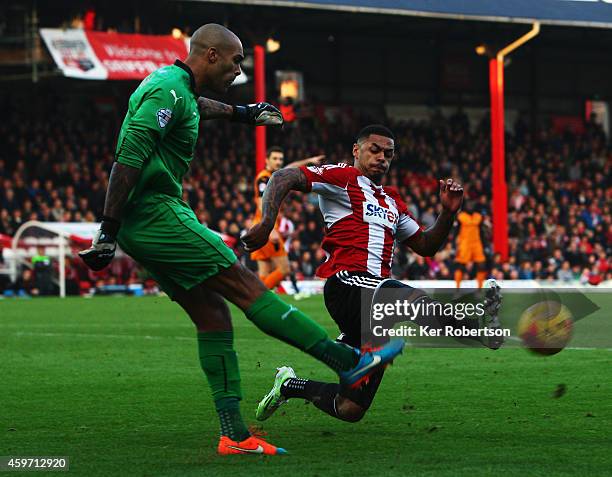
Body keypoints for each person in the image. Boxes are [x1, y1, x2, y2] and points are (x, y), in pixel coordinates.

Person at [78, 24, 403, 456]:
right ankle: (347, 362)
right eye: (235, 61)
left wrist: (245, 113)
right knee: (244, 283)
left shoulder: (177, 89)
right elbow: (128, 157)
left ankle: (234, 435)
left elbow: (196, 106)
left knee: (213, 315)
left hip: (145, 224)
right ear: (211, 55)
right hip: (155, 212)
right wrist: (107, 230)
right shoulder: (168, 92)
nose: (238, 70)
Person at [243, 124, 502, 425]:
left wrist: (447, 213)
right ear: (357, 150)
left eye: (388, 154)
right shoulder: (342, 178)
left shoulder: (391, 200)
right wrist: (265, 223)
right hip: (347, 284)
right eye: (375, 150)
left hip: (374, 301)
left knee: (350, 408)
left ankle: (288, 385)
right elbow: (283, 176)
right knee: (404, 297)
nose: (382, 158)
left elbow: (426, 245)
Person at [251, 146, 324, 291]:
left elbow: (291, 167)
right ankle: (256, 296)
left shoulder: (275, 175)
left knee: (265, 272)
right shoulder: (264, 178)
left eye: (280, 159)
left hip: (260, 226)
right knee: (284, 269)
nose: (278, 162)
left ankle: (260, 302)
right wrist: (268, 226)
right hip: (267, 225)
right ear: (267, 160)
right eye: (275, 159)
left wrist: (309, 160)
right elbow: (261, 202)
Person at [454, 200, 488, 288]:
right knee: (461, 265)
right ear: (465, 205)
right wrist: (455, 244)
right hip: (464, 243)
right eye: (469, 204)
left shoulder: (479, 217)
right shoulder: (460, 217)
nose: (470, 206)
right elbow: (456, 231)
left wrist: (484, 244)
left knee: (482, 265)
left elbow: (481, 232)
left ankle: (479, 289)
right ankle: (457, 289)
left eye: (472, 204)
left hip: (477, 243)